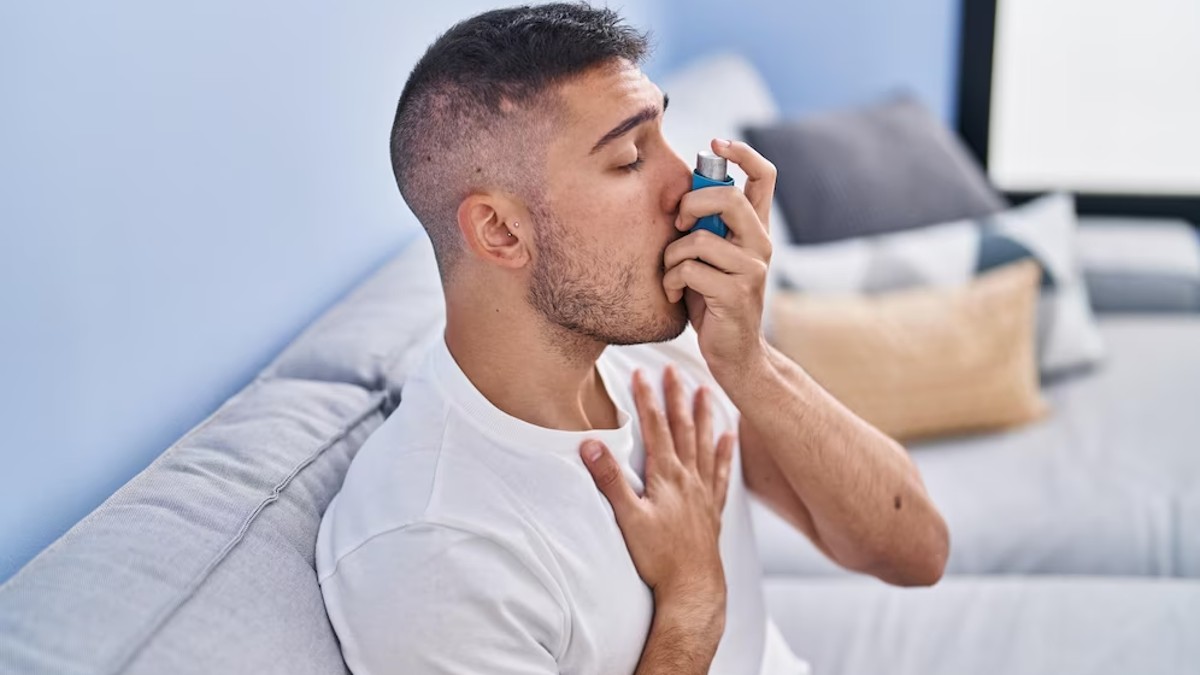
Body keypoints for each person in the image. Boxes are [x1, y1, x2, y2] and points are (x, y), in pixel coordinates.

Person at [315, 3, 949, 673]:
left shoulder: (664, 350)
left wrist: (750, 363)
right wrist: (693, 603)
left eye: (665, 134)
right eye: (629, 159)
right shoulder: (432, 551)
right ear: (500, 231)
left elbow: (916, 552)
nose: (687, 188)